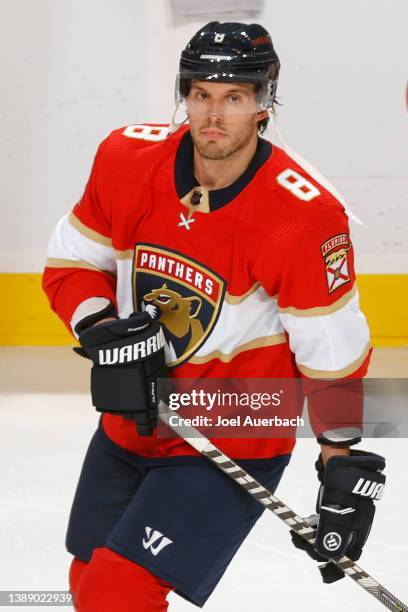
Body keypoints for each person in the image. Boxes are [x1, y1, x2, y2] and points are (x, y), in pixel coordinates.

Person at [42, 21, 386, 612]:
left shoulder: (301, 216)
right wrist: (101, 329)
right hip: (135, 421)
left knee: (117, 589)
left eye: (234, 97)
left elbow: (332, 353)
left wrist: (340, 463)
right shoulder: (127, 159)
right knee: (88, 577)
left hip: (232, 431)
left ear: (263, 105)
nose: (213, 115)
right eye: (201, 94)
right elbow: (71, 264)